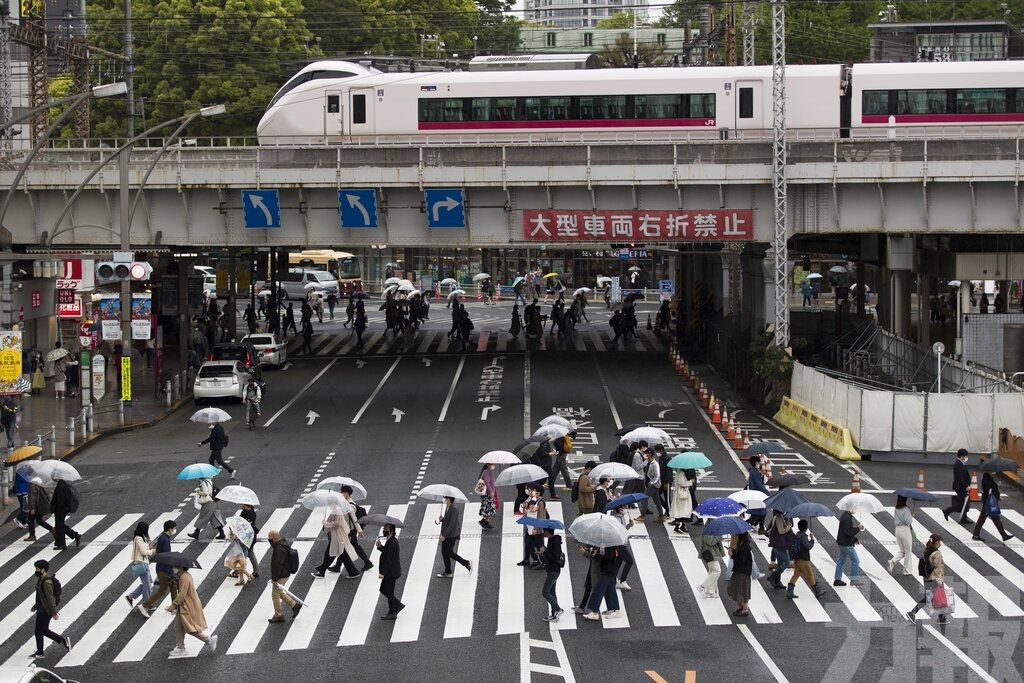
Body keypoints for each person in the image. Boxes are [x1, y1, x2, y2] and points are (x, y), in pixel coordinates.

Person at [167, 563, 216, 657]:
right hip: (184, 605)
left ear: (180, 567)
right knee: (178, 626)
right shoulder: (184, 576)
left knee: (190, 628)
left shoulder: (184, 578)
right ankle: (181, 647)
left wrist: (173, 605)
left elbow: (182, 594)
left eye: (175, 566)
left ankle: (209, 640)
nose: (173, 568)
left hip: (187, 606)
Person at [31, 559, 71, 659]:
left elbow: (50, 599)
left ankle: (40, 653)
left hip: (45, 610)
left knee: (38, 631)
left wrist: (53, 613)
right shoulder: (41, 579)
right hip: (41, 608)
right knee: (43, 630)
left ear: (43, 569)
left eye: (37, 569)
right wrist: (35, 606)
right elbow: (41, 596)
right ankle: (63, 641)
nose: (36, 570)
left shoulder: (47, 582)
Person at [907, 533, 948, 625]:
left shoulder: (928, 550)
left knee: (933, 598)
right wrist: (939, 580)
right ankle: (912, 612)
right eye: (940, 542)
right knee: (935, 598)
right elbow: (938, 568)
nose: (941, 543)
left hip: (927, 579)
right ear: (937, 543)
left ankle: (942, 617)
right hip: (935, 579)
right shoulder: (937, 553)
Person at [311, 504, 360, 579]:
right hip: (336, 535)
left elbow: (337, 524)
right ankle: (353, 572)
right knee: (342, 554)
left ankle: (322, 571)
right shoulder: (336, 510)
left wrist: (326, 524)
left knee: (331, 553)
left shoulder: (337, 510)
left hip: (338, 535)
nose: (329, 504)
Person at [142, 520, 178, 613]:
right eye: (174, 528)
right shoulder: (165, 539)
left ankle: (175, 607)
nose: (174, 530)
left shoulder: (163, 537)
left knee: (173, 587)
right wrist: (171, 569)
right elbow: (166, 556)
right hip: (165, 569)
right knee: (163, 590)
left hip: (162, 568)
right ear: (170, 529)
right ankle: (145, 605)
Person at [972, 465, 1015, 542]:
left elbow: (990, 490)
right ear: (990, 471)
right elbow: (989, 490)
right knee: (994, 518)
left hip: (987, 501)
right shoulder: (987, 479)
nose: (994, 472)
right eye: (993, 471)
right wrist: (996, 486)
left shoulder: (988, 478)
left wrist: (997, 495)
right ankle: (1004, 535)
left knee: (985, 518)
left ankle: (976, 534)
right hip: (988, 502)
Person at [267, 530, 301, 624]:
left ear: (274, 539)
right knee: (279, 592)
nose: (269, 540)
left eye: (270, 539)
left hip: (281, 575)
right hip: (285, 573)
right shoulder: (283, 544)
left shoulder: (279, 550)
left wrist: (274, 578)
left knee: (275, 595)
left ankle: (279, 615)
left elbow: (278, 565)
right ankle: (294, 605)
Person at [338, 485, 374, 572]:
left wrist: (360, 531)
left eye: (342, 492)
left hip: (350, 530)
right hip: (349, 529)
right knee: (347, 546)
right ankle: (337, 566)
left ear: (347, 493)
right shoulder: (346, 503)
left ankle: (367, 562)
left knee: (345, 546)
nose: (341, 494)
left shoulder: (351, 505)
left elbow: (354, 520)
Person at [788, 519, 826, 598]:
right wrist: (812, 539)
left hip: (797, 559)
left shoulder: (797, 535)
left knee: (796, 575)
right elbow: (808, 546)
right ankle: (817, 591)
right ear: (806, 527)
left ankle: (789, 591)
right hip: (804, 559)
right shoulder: (803, 537)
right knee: (810, 574)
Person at [582, 546, 621, 621]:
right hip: (611, 570)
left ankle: (594, 612)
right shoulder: (611, 544)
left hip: (607, 571)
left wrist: (596, 555)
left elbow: (606, 557)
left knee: (598, 591)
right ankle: (616, 610)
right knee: (610, 591)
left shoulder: (608, 546)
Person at [125, 521, 155, 616]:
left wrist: (149, 546)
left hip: (142, 563)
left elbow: (143, 548)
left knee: (147, 584)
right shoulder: (138, 538)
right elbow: (142, 551)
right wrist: (152, 551)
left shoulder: (139, 538)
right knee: (147, 586)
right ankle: (147, 604)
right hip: (141, 563)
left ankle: (131, 597)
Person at [437, 496, 473, 577]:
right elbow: (448, 521)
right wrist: (442, 519)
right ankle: (448, 571)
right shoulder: (449, 507)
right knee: (444, 552)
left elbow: (452, 524)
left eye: (445, 498)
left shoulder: (454, 509)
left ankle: (466, 563)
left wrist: (444, 535)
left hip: (451, 535)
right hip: (448, 534)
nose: (444, 500)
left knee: (449, 553)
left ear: (449, 499)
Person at [378, 523, 404, 619]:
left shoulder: (392, 542)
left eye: (386, 529)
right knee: (383, 589)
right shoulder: (390, 541)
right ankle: (398, 605)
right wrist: (380, 546)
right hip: (391, 571)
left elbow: (389, 559)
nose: (384, 530)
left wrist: (382, 573)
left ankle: (392, 612)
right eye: (384, 528)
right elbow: (387, 553)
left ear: (391, 531)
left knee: (389, 591)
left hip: (391, 572)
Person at [538, 529, 564, 622]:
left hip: (554, 571)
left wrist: (544, 551)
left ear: (547, 532)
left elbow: (555, 557)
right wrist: (542, 553)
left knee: (545, 592)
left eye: (543, 531)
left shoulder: (555, 542)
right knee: (552, 592)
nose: (542, 532)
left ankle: (557, 609)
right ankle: (554, 614)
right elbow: (550, 556)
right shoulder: (552, 540)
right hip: (551, 570)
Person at [833, 509, 863, 586]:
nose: (855, 509)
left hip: (842, 542)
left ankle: (837, 579)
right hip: (846, 544)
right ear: (850, 508)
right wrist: (858, 528)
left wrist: (855, 539)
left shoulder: (846, 516)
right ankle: (854, 580)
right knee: (856, 560)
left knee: (841, 561)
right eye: (854, 507)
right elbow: (848, 532)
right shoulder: (847, 518)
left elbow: (845, 532)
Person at [942, 449, 973, 523]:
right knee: (962, 504)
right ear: (962, 456)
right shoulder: (958, 464)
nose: (966, 458)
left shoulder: (960, 463)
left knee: (964, 502)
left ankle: (964, 518)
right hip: (960, 487)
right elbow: (960, 477)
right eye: (965, 456)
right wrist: (966, 486)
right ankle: (947, 511)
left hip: (960, 486)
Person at [766, 510, 795, 590]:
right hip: (780, 544)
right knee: (787, 562)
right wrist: (788, 527)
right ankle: (772, 576)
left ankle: (777, 582)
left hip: (776, 543)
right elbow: (781, 531)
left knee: (780, 563)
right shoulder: (779, 518)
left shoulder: (777, 517)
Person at [888, 495, 916, 576]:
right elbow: (908, 521)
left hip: (897, 530)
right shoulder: (906, 509)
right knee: (908, 551)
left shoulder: (896, 508)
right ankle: (907, 570)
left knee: (902, 550)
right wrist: (912, 515)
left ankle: (893, 561)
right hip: (905, 530)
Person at [51, 477, 81, 550]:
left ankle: (62, 544)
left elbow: (61, 500)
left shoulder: (60, 486)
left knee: (59, 526)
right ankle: (75, 535)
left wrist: (55, 508)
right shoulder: (63, 484)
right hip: (64, 508)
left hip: (61, 509)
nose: (53, 478)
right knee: (60, 525)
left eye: (54, 477)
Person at [727, 532, 753, 617]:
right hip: (739, 571)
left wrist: (732, 554)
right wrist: (732, 551)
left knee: (742, 590)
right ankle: (740, 607)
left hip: (743, 572)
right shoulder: (741, 545)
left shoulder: (745, 547)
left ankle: (744, 609)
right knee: (736, 588)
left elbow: (741, 560)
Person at [746, 456, 771, 533]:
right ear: (756, 463)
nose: (760, 464)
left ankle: (761, 528)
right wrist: (768, 493)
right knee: (758, 513)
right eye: (759, 462)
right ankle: (744, 525)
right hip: (756, 495)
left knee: (761, 512)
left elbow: (759, 483)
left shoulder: (755, 471)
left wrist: (762, 476)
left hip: (756, 494)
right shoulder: (754, 472)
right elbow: (759, 485)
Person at [638, 449, 664, 522]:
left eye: (647, 454)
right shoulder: (648, 462)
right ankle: (661, 517)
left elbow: (657, 475)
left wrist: (652, 483)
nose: (646, 455)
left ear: (651, 455)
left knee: (644, 498)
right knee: (657, 501)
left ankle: (642, 516)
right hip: (650, 485)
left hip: (653, 485)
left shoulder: (655, 464)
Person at [698, 531, 725, 598]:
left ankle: (711, 591)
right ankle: (702, 587)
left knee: (712, 571)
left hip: (712, 553)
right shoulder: (709, 528)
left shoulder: (712, 527)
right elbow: (710, 541)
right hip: (709, 553)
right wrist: (718, 537)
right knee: (717, 571)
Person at [669, 468, 694, 533]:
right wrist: (691, 482)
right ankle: (682, 526)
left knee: (679, 510)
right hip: (682, 493)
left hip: (679, 493)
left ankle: (677, 526)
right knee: (684, 510)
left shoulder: (678, 472)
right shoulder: (682, 473)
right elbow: (682, 483)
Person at [477, 463, 498, 530]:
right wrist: (491, 491)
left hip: (489, 493)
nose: (493, 465)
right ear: (488, 465)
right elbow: (487, 482)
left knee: (489, 508)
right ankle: (484, 521)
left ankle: (486, 522)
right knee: (488, 507)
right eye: (492, 464)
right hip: (487, 494)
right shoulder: (486, 472)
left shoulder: (489, 471)